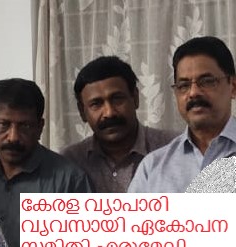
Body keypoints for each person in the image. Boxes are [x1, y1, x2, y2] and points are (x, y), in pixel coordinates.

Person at [0, 78, 93, 247]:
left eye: (25, 126)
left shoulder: (69, 181)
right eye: (3, 124)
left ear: (40, 127)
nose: (13, 137)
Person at [129, 36, 236, 193]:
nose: (193, 93)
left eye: (207, 81)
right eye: (184, 85)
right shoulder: (152, 168)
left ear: (233, 87)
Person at [62, 56, 178, 193]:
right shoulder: (69, 162)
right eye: (96, 104)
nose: (109, 113)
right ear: (82, 112)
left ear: (135, 98)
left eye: (117, 99)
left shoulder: (174, 148)